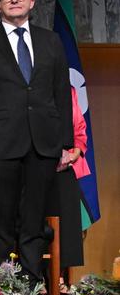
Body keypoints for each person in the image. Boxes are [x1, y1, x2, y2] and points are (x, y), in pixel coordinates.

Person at [0, 0, 73, 286]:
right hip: (0, 145)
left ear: (32, 3)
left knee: (34, 222)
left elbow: (62, 94)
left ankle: (32, 287)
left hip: (43, 143)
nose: (14, 0)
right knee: (1, 223)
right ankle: (1, 290)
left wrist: (66, 143)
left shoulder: (51, 41)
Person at [47, 85, 90, 274]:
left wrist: (75, 153)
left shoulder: (68, 90)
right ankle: (41, 277)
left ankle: (60, 275)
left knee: (69, 194)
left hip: (67, 163)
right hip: (38, 164)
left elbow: (80, 130)